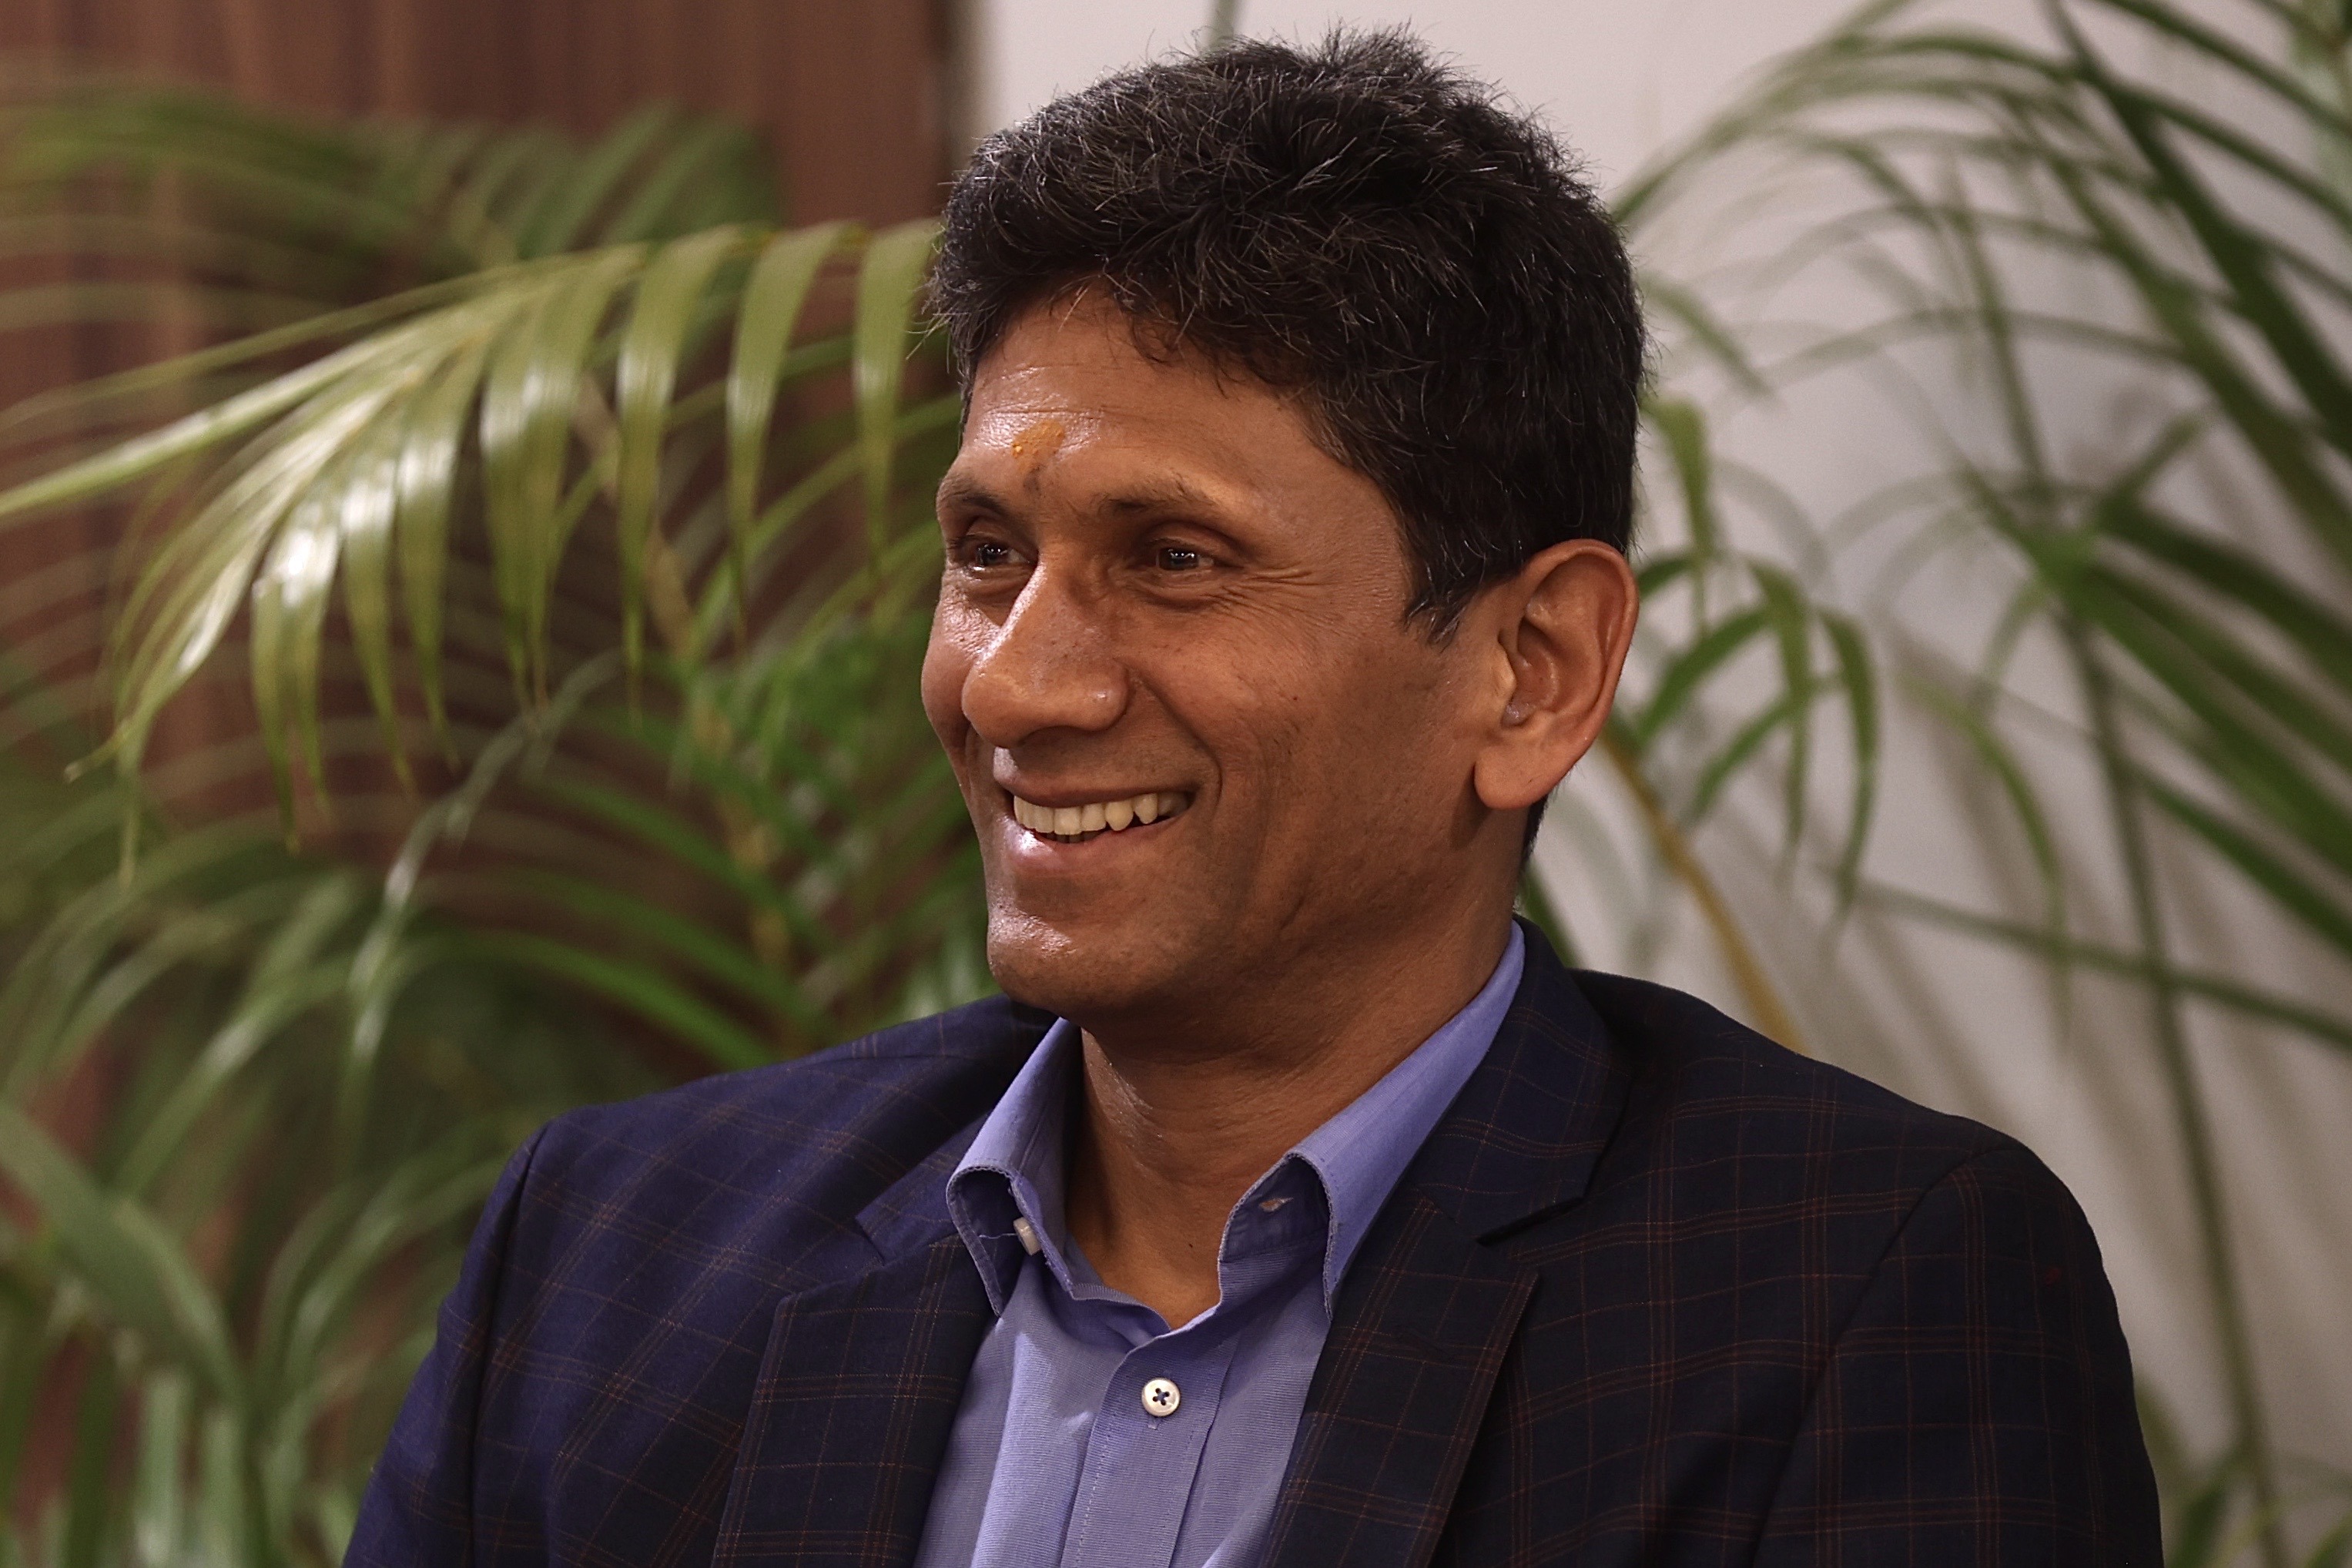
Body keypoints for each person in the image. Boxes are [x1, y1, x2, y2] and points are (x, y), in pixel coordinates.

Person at [347, 30, 2159, 1568]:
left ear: (1532, 667)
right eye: (989, 554)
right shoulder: (615, 1252)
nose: (1015, 682)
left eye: (1178, 557)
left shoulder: (1857, 1296)